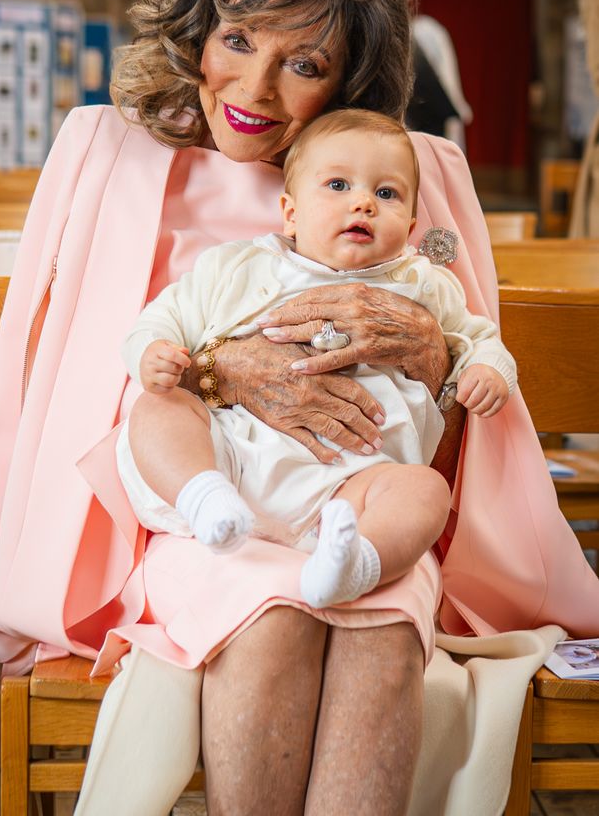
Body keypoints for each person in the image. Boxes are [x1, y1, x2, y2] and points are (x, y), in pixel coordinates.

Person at [0, 0, 599, 816]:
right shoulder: (103, 151)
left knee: (380, 627)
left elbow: (461, 433)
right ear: (198, 26)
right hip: (178, 519)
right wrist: (217, 371)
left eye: (306, 63)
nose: (254, 89)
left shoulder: (414, 173)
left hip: (368, 516)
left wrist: (438, 359)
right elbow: (43, 384)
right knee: (269, 617)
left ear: (353, 77)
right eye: (237, 39)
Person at [120, 110, 516, 612]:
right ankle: (203, 497)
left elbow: (479, 339)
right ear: (290, 212)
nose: (363, 203)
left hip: (352, 486)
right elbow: (159, 320)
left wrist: (487, 370)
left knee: (424, 491)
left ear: (413, 225)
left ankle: (356, 563)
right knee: (158, 409)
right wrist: (153, 353)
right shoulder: (237, 266)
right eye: (337, 184)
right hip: (236, 460)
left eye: (387, 194)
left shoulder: (424, 285)